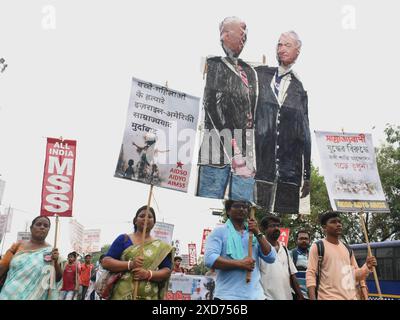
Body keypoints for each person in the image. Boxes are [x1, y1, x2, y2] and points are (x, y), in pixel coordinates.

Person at [197, 16, 258, 202]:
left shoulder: (250, 71)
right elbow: (212, 105)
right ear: (224, 35)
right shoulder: (215, 64)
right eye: (241, 31)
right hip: (216, 150)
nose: (244, 36)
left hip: (244, 155)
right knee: (209, 198)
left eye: (246, 32)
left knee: (242, 206)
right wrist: (233, 148)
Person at [254, 31, 311, 214]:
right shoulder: (261, 75)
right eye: (279, 45)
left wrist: (306, 176)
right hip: (260, 163)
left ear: (298, 51)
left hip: (288, 169)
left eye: (287, 45)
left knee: (279, 213)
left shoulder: (299, 88)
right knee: (255, 209)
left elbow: (305, 134)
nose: (282, 49)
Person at [204, 200, 276, 300]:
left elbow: (271, 257)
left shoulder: (253, 234)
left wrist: (257, 232)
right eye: (237, 206)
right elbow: (209, 259)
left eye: (245, 206)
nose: (242, 209)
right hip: (227, 296)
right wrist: (240, 264)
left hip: (256, 296)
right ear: (228, 211)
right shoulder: (219, 231)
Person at [102, 205, 173, 300]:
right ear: (135, 220)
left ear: (154, 223)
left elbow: (166, 271)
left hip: (149, 296)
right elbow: (106, 262)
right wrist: (130, 264)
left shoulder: (161, 246)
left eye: (149, 217)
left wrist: (148, 274)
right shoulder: (124, 239)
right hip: (121, 295)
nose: (145, 219)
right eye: (142, 216)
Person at [306, 211, 377, 300]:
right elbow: (310, 274)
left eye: (339, 222)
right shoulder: (318, 246)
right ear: (324, 227)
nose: (338, 224)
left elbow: (355, 276)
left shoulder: (348, 249)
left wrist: (367, 266)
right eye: (333, 222)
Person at [0, 216, 62, 300]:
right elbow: (2, 268)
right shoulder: (17, 246)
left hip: (35, 296)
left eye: (46, 226)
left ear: (48, 230)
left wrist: (55, 261)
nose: (42, 227)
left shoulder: (51, 251)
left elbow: (57, 278)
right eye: (38, 224)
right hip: (8, 295)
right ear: (31, 228)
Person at [259, 215, 304, 300]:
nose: (276, 228)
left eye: (278, 225)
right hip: (266, 297)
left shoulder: (284, 249)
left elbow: (292, 275)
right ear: (263, 229)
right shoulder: (258, 248)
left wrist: (300, 295)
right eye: (272, 226)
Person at [290, 230, 311, 299]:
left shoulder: (313, 255)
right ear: (296, 241)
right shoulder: (291, 254)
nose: (304, 241)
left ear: (309, 241)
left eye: (306, 239)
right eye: (301, 239)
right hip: (295, 295)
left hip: (311, 295)